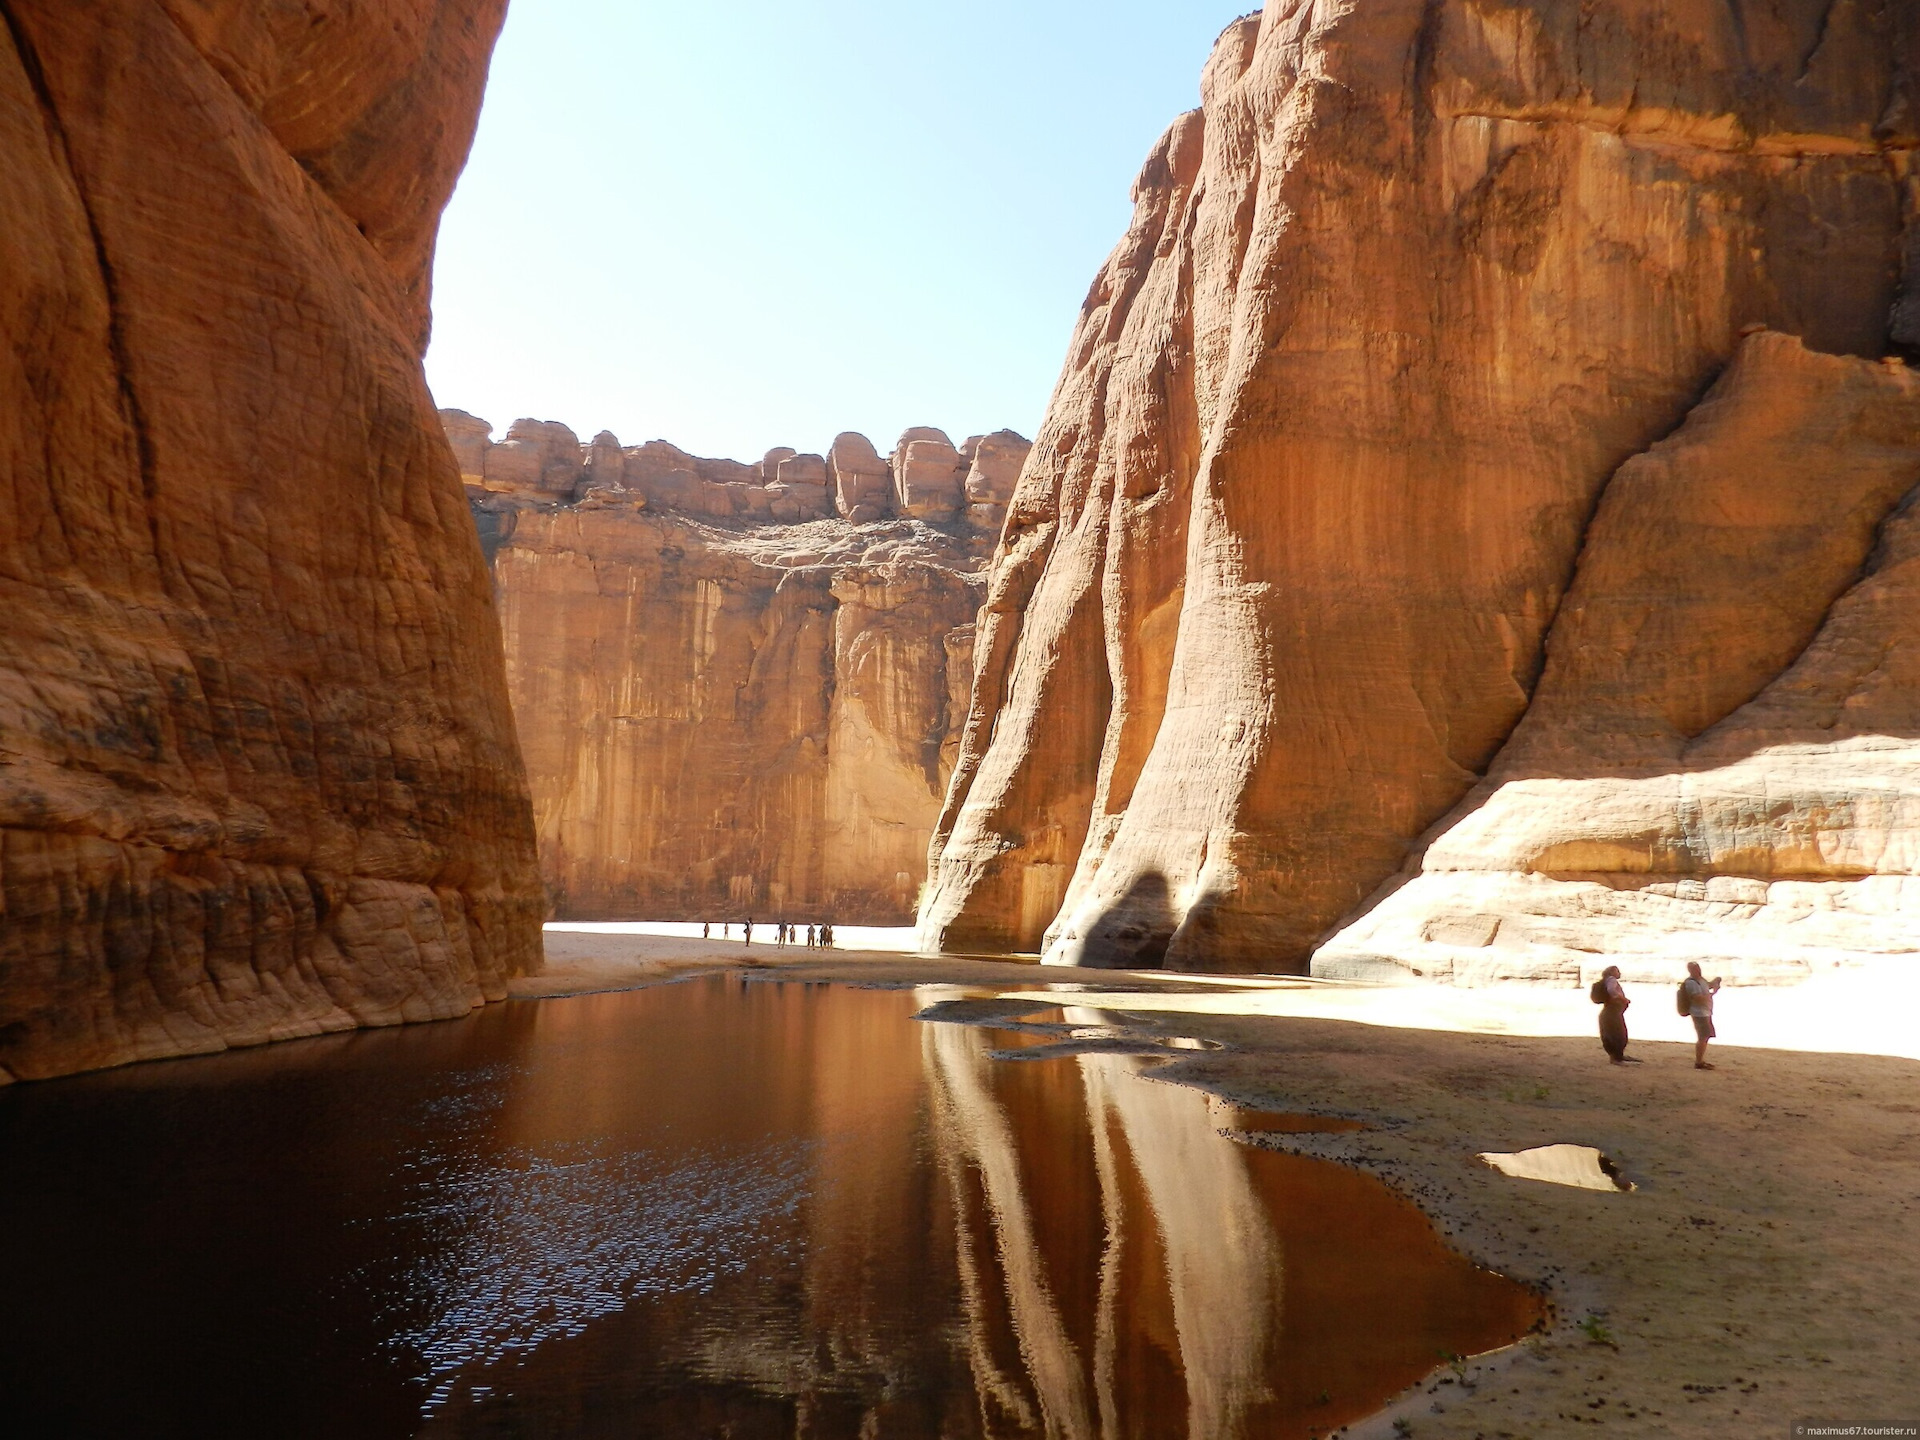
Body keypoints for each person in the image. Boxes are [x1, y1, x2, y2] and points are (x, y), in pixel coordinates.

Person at [1683, 961, 1722, 1069]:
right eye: (1696, 969)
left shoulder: (1700, 980)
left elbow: (1706, 986)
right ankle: (1699, 1061)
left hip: (1705, 1012)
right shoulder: (1691, 983)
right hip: (1699, 1013)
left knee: (1705, 1036)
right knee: (1703, 1036)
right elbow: (1697, 998)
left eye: (1698, 968)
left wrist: (1716, 981)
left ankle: (1700, 1060)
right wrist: (1712, 995)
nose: (1698, 971)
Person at [1595, 965, 1637, 1064]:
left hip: (1609, 1011)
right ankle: (1616, 1058)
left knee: (1613, 1033)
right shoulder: (1611, 980)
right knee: (1617, 1033)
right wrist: (1623, 999)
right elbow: (1612, 990)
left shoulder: (1605, 980)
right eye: (1617, 971)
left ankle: (1617, 1056)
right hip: (1612, 1011)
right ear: (1612, 972)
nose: (1619, 973)